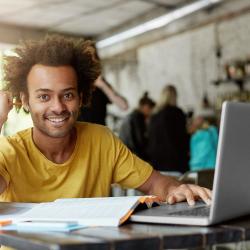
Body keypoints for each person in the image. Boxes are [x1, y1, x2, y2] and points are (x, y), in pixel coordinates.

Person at [0, 35, 211, 207]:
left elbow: (156, 182)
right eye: (44, 96)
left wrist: (174, 189)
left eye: (67, 95)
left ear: (81, 98)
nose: (58, 107)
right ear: (25, 101)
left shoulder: (102, 141)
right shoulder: (9, 151)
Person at [77, 48, 128, 125]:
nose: (92, 64)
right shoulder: (76, 83)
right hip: (81, 134)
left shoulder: (102, 84)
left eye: (94, 60)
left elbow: (124, 106)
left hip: (100, 133)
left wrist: (103, 85)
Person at [147, 85, 189, 174]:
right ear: (175, 96)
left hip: (157, 163)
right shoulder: (177, 113)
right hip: (175, 163)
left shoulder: (154, 115)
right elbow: (183, 138)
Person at [119, 92, 155, 160]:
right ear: (145, 106)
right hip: (131, 154)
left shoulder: (133, 116)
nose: (151, 113)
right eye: (150, 109)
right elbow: (139, 141)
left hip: (127, 152)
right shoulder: (137, 117)